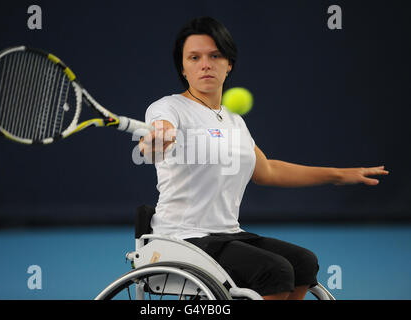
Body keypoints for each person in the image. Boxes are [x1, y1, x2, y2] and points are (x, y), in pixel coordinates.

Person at [139, 16, 388, 300]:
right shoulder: (168, 107)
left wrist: (339, 174)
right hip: (183, 239)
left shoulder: (234, 121)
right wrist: (157, 140)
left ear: (228, 63)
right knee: (276, 272)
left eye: (215, 55)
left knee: (304, 263)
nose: (205, 64)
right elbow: (156, 136)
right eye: (194, 57)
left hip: (227, 234)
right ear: (183, 68)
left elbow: (267, 170)